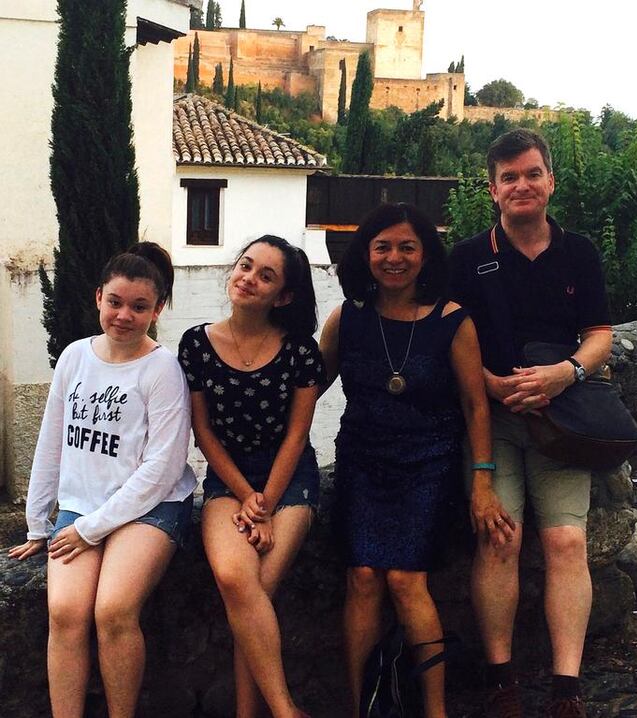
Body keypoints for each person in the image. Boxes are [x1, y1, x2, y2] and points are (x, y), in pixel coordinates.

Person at [320, 203, 511, 718]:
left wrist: (483, 481)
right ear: (365, 254)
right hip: (362, 461)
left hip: (428, 464)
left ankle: (435, 710)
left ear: (426, 256)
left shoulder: (453, 322)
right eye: (382, 247)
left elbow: (475, 406)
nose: (394, 258)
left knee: (406, 580)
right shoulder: (347, 318)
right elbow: (307, 390)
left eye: (407, 247)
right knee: (362, 577)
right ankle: (360, 704)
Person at [449, 129, 613, 718]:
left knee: (567, 542)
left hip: (559, 421)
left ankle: (566, 689)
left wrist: (565, 373)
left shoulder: (580, 253)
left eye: (532, 173)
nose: (522, 185)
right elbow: (449, 336)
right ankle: (501, 678)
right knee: (500, 540)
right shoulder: (467, 259)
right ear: (493, 189)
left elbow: (600, 335)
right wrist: (489, 383)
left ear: (550, 181)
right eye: (509, 177)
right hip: (488, 422)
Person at [8, 242, 196, 718]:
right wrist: (37, 524)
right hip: (82, 505)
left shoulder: (162, 370)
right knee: (66, 613)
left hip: (149, 507)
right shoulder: (74, 357)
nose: (124, 315)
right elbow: (53, 439)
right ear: (97, 298)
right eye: (115, 302)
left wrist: (91, 529)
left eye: (139, 306)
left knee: (112, 611)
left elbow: (163, 468)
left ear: (158, 310)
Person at [178, 235, 323, 718]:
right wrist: (247, 498)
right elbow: (202, 432)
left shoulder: (300, 351)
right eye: (245, 266)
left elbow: (297, 436)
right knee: (235, 578)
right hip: (228, 479)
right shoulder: (196, 344)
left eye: (266, 275)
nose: (248, 278)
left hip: (290, 479)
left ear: (283, 296)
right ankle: (284, 711)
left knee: (254, 589)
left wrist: (267, 502)